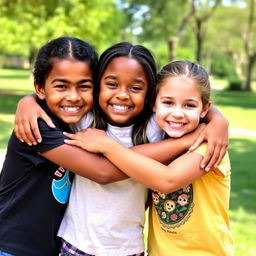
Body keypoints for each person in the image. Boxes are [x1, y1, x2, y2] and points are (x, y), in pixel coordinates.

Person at [13, 44, 229, 255]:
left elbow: (185, 97)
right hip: (76, 242)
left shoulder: (159, 126)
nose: (123, 95)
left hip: (129, 247)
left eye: (135, 87)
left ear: (149, 98)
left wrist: (216, 120)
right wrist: (29, 101)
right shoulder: (84, 120)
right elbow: (59, 95)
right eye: (112, 84)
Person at [64, 60, 234, 256]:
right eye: (168, 102)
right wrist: (30, 102)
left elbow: (167, 180)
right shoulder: (160, 139)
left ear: (204, 109)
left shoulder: (208, 145)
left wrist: (107, 145)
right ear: (153, 103)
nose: (177, 113)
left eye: (189, 105)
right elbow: (124, 162)